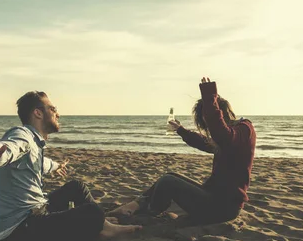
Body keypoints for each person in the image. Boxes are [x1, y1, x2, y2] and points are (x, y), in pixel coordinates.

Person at [0, 91, 140, 241]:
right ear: (38, 113)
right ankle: (103, 228)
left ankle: (104, 227)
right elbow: (12, 147)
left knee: (77, 187)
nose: (58, 114)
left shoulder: (35, 143)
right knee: (92, 212)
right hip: (18, 227)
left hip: (36, 211)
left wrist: (57, 166)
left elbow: (42, 163)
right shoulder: (23, 134)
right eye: (53, 109)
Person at [109, 77, 256, 224]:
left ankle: (150, 213)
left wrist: (209, 96)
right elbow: (205, 143)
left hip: (223, 208)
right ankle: (136, 206)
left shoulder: (243, 130)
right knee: (170, 176)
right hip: (214, 198)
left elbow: (220, 133)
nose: (208, 130)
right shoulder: (231, 137)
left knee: (168, 182)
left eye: (207, 124)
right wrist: (181, 130)